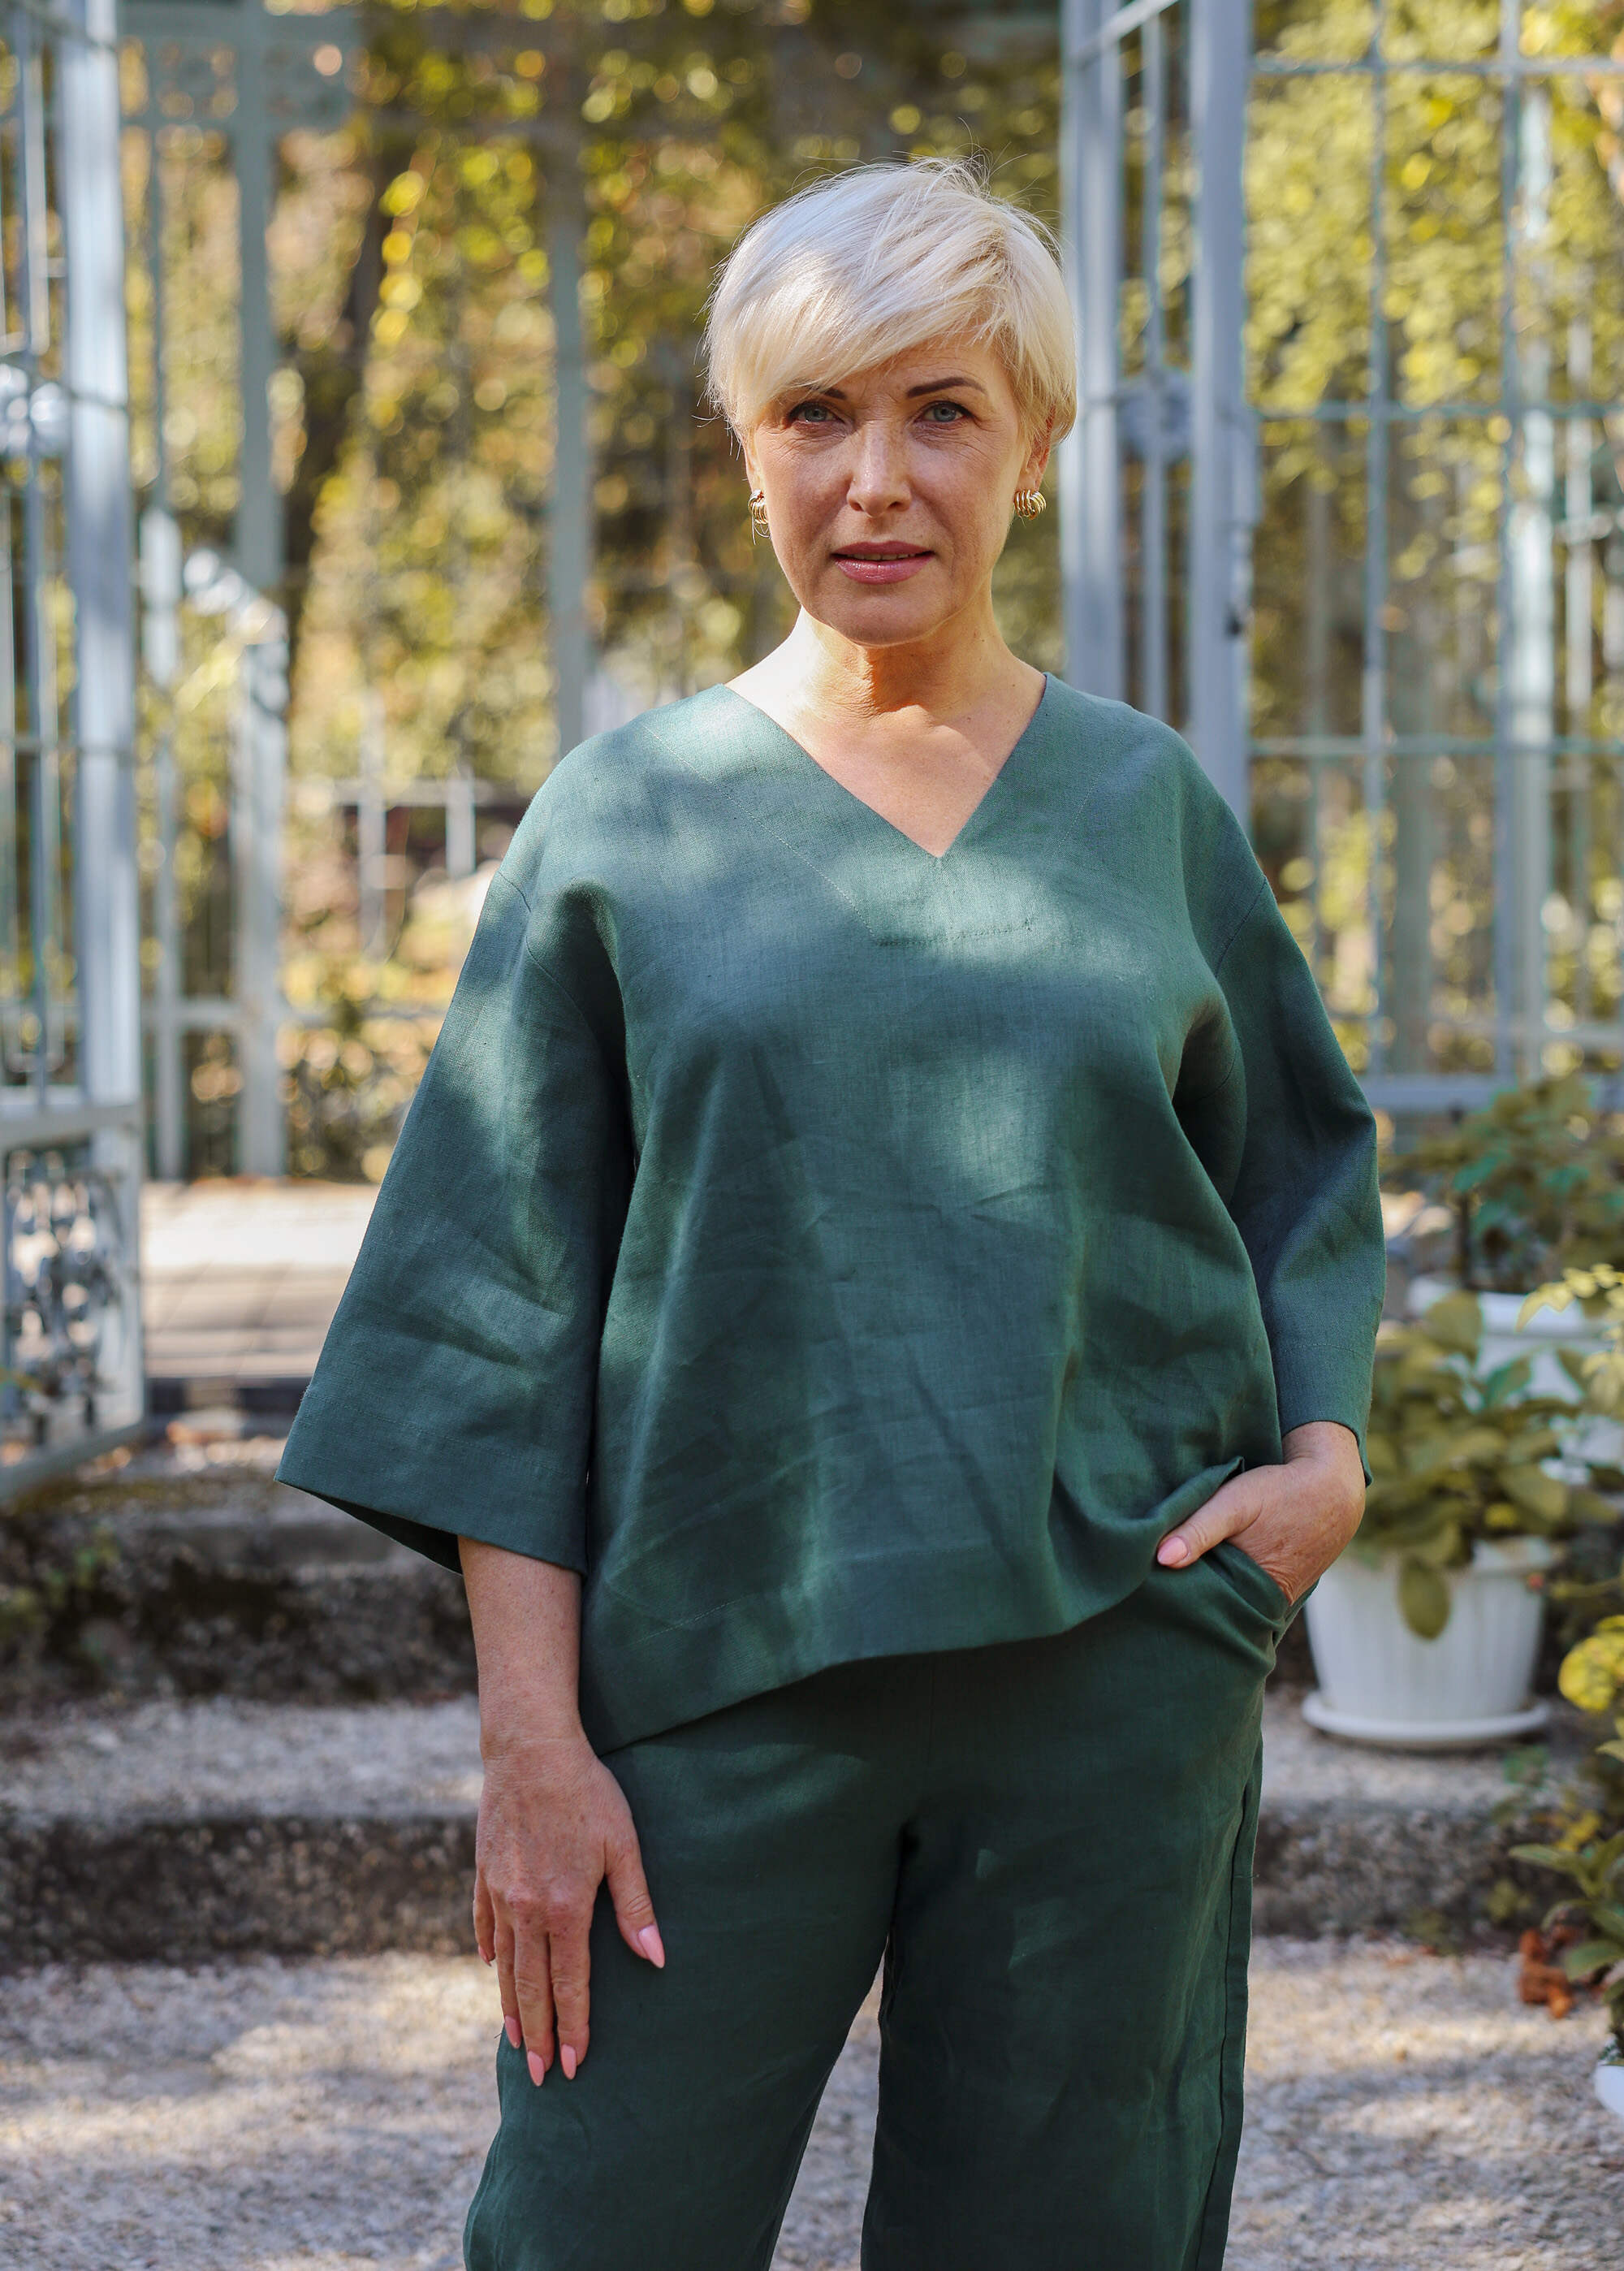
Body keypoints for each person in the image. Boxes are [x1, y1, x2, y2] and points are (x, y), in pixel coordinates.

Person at [279, 157, 1384, 2271]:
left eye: (942, 412)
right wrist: (530, 1745)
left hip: (1109, 1678)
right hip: (711, 1675)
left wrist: (1320, 1469)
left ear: (1033, 447)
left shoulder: (1147, 809)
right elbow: (496, 1302)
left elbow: (1299, 1170)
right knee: (594, 2232)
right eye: (816, 415)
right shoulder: (630, 823)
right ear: (747, 448)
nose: (876, 480)